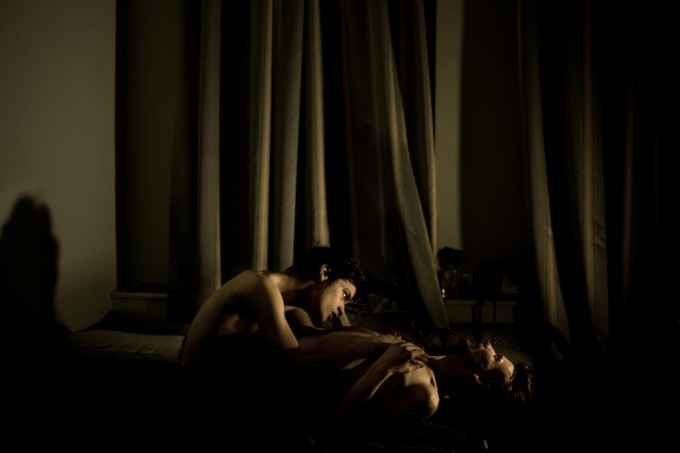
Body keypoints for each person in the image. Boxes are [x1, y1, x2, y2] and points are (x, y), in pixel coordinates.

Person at [287, 327, 535, 434]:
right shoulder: (420, 354)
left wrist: (384, 367)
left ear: (481, 379)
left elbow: (339, 428)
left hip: (284, 375)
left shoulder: (425, 396)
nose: (490, 344)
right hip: (291, 341)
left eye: (496, 356)